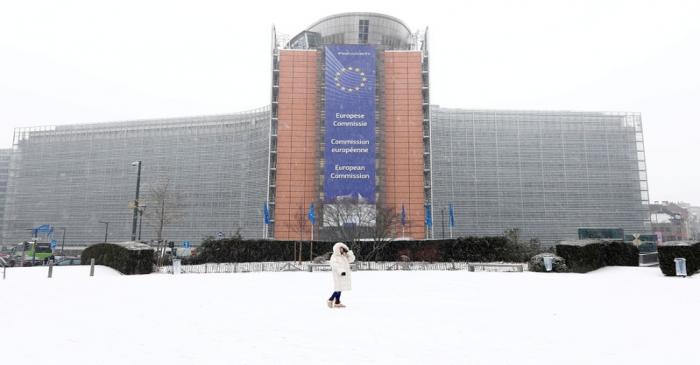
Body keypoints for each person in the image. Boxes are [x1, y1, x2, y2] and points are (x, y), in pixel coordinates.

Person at [327, 242, 355, 308]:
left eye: (343, 249)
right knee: (338, 288)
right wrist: (341, 271)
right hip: (338, 274)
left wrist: (349, 253)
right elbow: (335, 265)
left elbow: (351, 260)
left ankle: (337, 302)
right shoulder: (334, 257)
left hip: (343, 274)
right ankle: (330, 299)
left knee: (340, 288)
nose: (342, 250)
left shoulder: (343, 256)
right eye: (341, 248)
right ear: (337, 249)